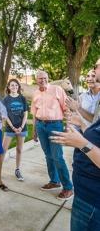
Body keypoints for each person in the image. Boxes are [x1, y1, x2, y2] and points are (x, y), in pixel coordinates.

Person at [50, 113, 100, 231]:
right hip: (89, 199)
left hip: (92, 204)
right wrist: (84, 126)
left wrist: (81, 143)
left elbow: (90, 146)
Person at [31, 70, 73, 200]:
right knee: (48, 155)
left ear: (47, 78)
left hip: (55, 125)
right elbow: (34, 112)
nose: (42, 80)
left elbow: (67, 109)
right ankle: (54, 181)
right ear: (36, 80)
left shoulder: (57, 89)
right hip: (40, 125)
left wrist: (67, 126)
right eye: (39, 78)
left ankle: (68, 187)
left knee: (57, 156)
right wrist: (34, 130)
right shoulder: (36, 93)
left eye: (44, 78)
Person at [2, 79, 29, 181]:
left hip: (21, 128)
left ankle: (17, 169)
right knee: (3, 150)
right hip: (10, 128)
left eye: (16, 85)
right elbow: (5, 115)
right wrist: (13, 127)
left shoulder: (22, 98)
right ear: (8, 87)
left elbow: (26, 113)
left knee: (19, 149)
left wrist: (21, 127)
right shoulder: (6, 100)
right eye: (12, 85)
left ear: (18, 87)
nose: (14, 87)